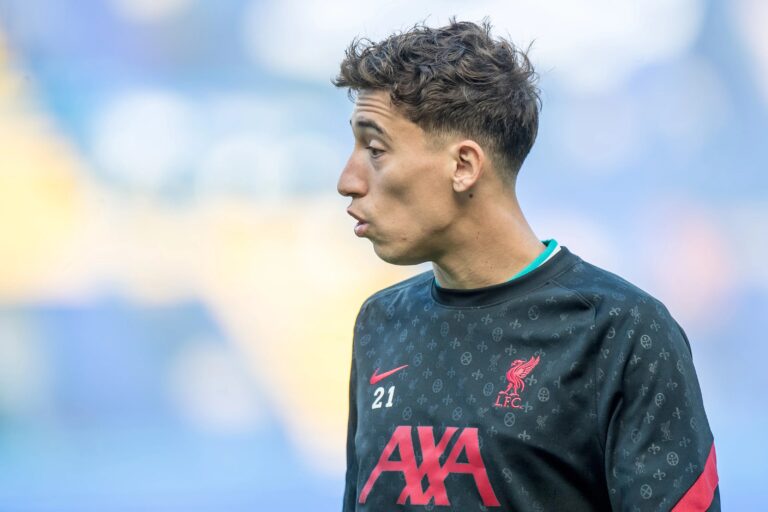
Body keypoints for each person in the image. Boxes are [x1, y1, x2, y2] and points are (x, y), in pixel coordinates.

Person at [333, 19, 719, 511]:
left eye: (375, 149)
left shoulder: (621, 331)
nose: (348, 180)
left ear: (464, 165)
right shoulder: (380, 322)